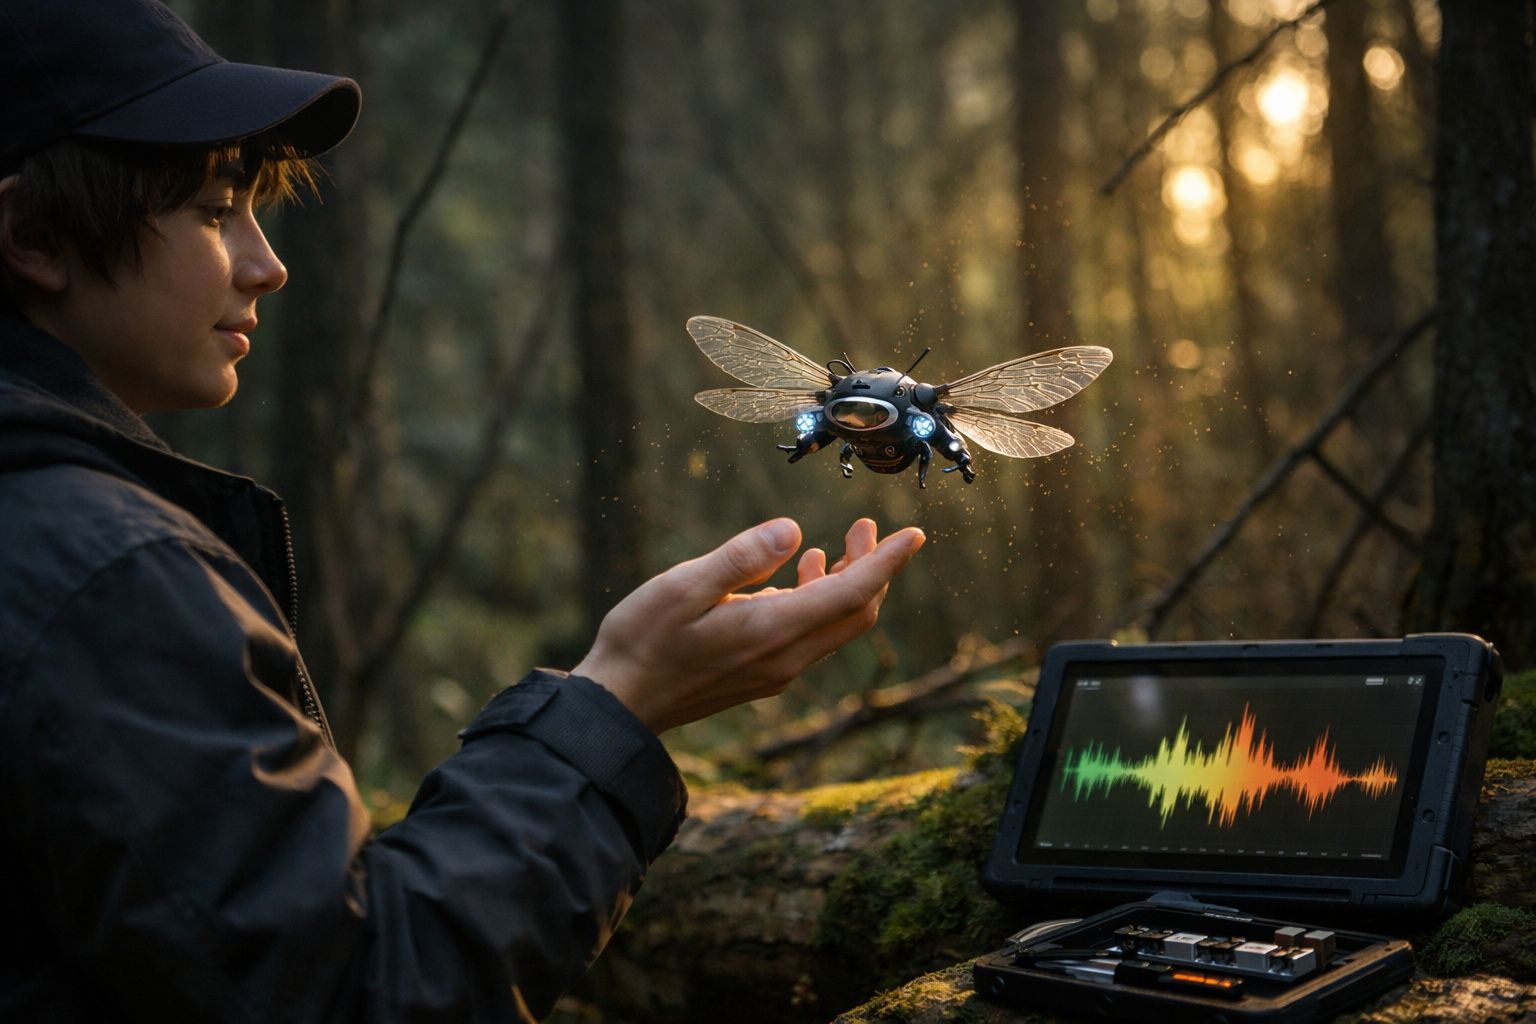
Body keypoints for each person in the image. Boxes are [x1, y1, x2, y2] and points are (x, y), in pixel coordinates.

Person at [0, 1, 926, 1020]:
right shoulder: (104, 572)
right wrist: (617, 704)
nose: (268, 263)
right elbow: (364, 992)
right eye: (217, 211)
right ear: (34, 236)